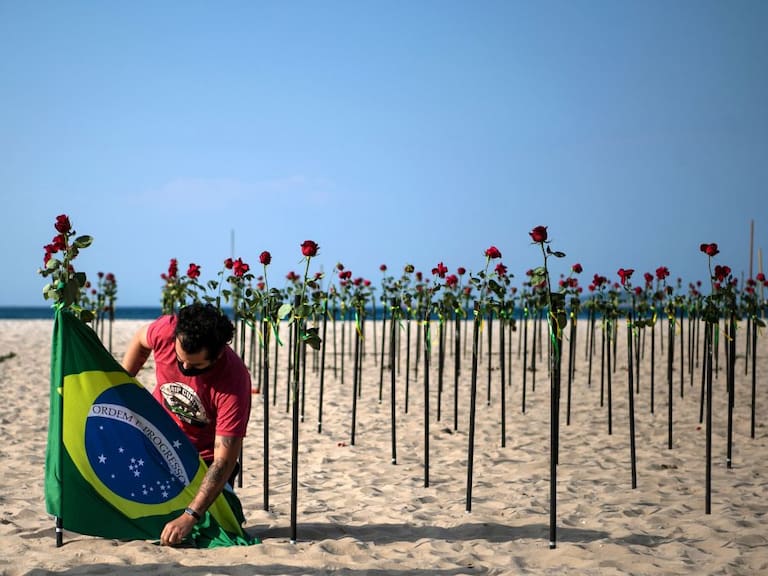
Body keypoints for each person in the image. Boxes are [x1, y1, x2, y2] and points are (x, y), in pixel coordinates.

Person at [121, 302, 252, 546]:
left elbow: (223, 460)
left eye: (196, 366)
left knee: (218, 531)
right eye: (180, 360)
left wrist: (190, 515)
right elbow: (140, 339)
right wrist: (122, 384)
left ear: (218, 354)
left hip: (202, 462)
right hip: (155, 444)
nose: (184, 367)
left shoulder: (234, 381)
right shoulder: (166, 330)